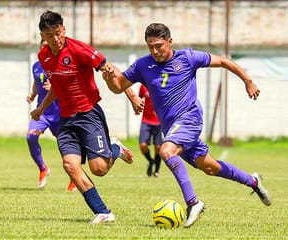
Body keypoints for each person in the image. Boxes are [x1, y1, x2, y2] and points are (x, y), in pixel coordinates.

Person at [102, 23, 271, 228]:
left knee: (166, 150)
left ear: (170, 42)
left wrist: (248, 81)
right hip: (172, 127)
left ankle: (193, 203)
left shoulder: (188, 58)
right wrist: (109, 79)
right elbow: (119, 87)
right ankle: (253, 181)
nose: (155, 51)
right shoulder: (142, 65)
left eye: (159, 45)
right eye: (150, 47)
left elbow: (225, 62)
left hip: (189, 119)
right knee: (210, 167)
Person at [31, 10, 138, 224]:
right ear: (42, 35)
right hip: (66, 119)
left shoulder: (79, 49)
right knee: (70, 165)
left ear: (64, 29)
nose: (56, 39)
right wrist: (41, 108)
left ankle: (114, 148)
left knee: (99, 169)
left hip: (89, 114)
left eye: (59, 33)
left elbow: (111, 69)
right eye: (50, 35)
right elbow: (58, 86)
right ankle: (103, 212)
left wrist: (132, 95)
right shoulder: (43, 57)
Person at [26, 39, 77, 192]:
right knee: (31, 136)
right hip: (42, 112)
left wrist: (56, 87)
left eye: (47, 47)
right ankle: (43, 168)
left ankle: (74, 178)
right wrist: (33, 94)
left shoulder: (61, 65)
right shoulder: (36, 66)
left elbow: (71, 86)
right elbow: (37, 82)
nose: (45, 50)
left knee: (67, 148)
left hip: (60, 114)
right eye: (43, 47)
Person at [138, 84, 162, 177]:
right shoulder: (143, 86)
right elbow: (138, 98)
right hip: (146, 121)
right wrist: (137, 107)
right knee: (143, 145)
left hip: (158, 121)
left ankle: (156, 171)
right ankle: (151, 161)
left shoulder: (161, 84)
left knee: (158, 147)